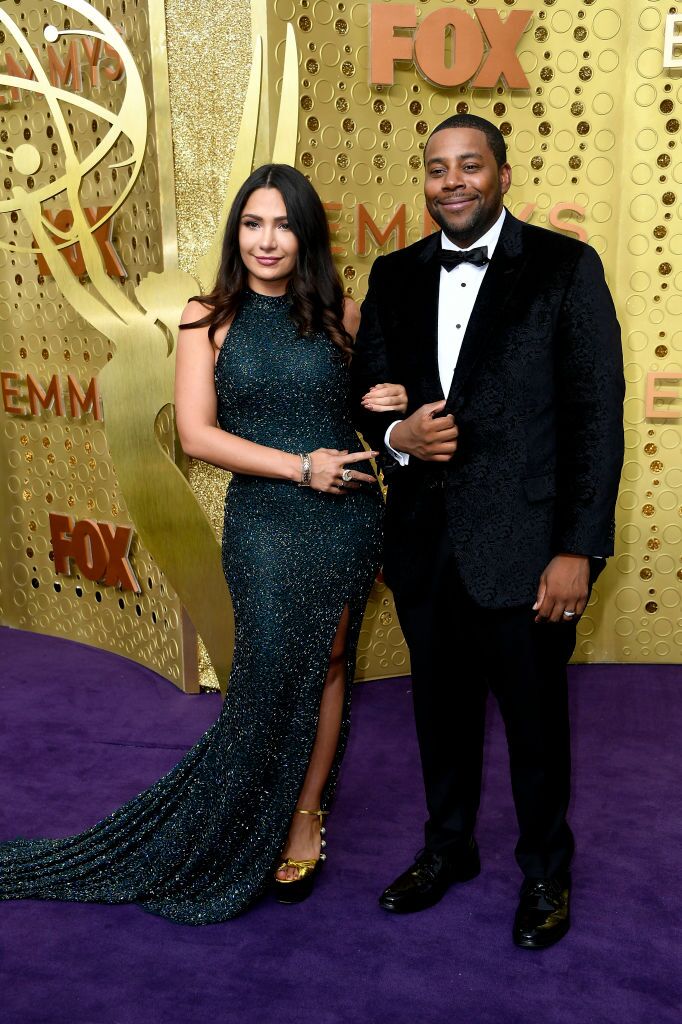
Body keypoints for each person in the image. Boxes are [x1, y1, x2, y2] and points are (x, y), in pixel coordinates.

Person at [0, 164, 406, 924]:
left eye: (284, 224)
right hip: (265, 519)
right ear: (236, 234)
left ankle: (306, 816)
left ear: (306, 235)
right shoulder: (205, 317)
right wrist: (299, 467)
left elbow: (374, 413)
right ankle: (237, 816)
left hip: (347, 515)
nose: (267, 239)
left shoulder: (343, 314)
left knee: (328, 663)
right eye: (253, 223)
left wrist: (387, 399)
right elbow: (196, 434)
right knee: (264, 671)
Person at [352, 114, 624, 949]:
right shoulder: (392, 274)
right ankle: (448, 849)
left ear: (503, 173)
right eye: (437, 169)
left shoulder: (564, 267)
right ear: (424, 181)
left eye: (470, 166)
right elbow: (365, 387)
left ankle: (546, 869)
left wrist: (576, 549)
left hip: (531, 552)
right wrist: (399, 440)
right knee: (439, 715)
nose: (453, 182)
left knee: (538, 726)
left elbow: (594, 419)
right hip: (427, 549)